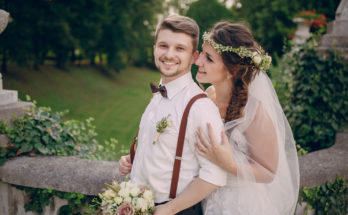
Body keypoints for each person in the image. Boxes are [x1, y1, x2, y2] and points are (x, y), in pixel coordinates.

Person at [119, 15, 227, 215]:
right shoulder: (158, 95)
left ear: (194, 57)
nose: (169, 54)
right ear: (154, 49)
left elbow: (216, 175)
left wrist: (168, 209)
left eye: (180, 48)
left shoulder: (199, 107)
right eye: (163, 46)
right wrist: (134, 160)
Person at [194, 21, 300, 215]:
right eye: (202, 52)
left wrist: (229, 166)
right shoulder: (208, 94)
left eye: (209, 58)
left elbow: (268, 172)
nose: (198, 61)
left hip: (241, 205)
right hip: (207, 199)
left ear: (232, 70)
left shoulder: (253, 112)